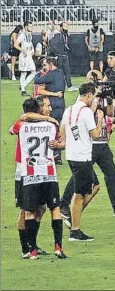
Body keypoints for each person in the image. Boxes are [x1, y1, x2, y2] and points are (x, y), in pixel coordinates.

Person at [58, 76, 115, 219]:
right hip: (90, 144)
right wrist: (96, 100)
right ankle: (64, 205)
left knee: (111, 173)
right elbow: (90, 113)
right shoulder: (84, 104)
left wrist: (107, 100)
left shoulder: (99, 99)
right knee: (81, 176)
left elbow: (111, 114)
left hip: (102, 144)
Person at [10, 98, 66, 259]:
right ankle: (26, 248)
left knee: (39, 209)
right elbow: (14, 126)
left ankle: (32, 245)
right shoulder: (47, 124)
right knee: (25, 210)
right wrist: (48, 119)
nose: (50, 108)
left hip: (34, 171)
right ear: (39, 109)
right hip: (23, 172)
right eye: (47, 106)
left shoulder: (23, 126)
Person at [58, 83, 104, 241]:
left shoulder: (69, 110)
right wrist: (100, 119)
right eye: (94, 96)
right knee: (79, 195)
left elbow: (62, 132)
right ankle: (75, 230)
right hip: (82, 157)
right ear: (89, 95)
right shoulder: (85, 112)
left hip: (72, 155)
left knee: (95, 186)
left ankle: (73, 217)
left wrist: (66, 143)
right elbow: (96, 135)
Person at [48, 22, 78, 91]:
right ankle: (58, 86)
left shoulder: (66, 35)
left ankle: (69, 86)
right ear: (61, 27)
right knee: (59, 72)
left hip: (65, 55)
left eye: (67, 26)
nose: (66, 27)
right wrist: (56, 53)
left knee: (67, 71)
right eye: (65, 26)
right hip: (59, 56)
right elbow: (51, 43)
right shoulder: (58, 35)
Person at [14, 21, 36, 97]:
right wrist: (22, 50)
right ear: (26, 27)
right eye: (30, 26)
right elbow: (15, 45)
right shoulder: (22, 35)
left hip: (29, 55)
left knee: (33, 72)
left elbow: (30, 43)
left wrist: (33, 49)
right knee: (24, 73)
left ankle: (23, 86)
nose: (31, 27)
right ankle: (23, 90)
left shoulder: (30, 35)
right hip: (24, 56)